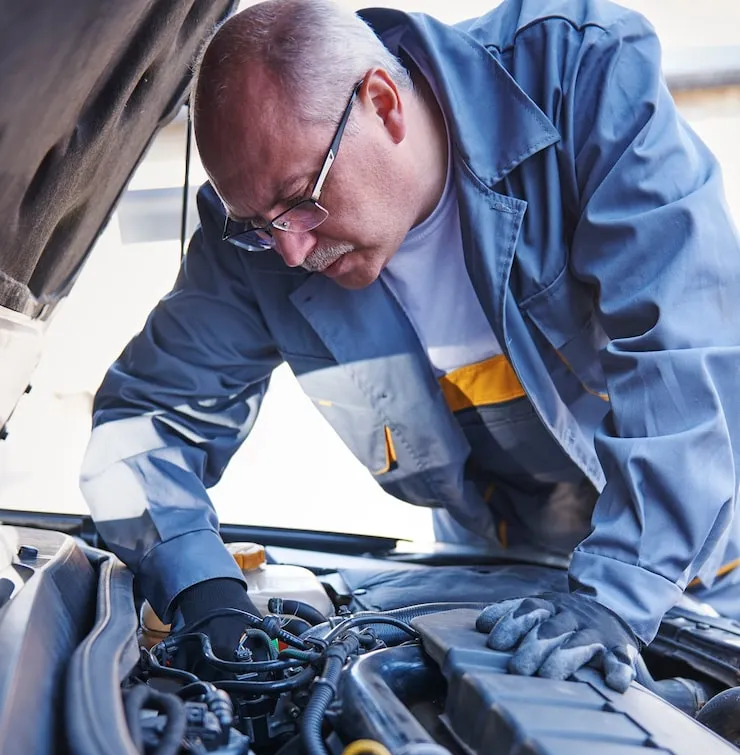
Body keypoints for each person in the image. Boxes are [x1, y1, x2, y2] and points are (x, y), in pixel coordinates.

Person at [80, 0, 740, 691]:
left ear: (383, 104)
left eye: (303, 200)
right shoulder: (259, 239)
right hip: (505, 568)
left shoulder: (578, 74)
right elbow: (138, 427)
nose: (292, 251)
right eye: (259, 225)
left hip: (703, 555)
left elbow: (685, 353)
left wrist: (615, 595)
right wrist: (201, 588)